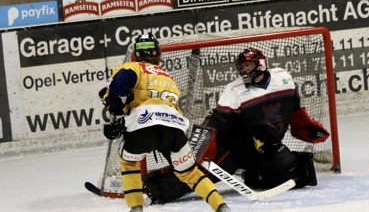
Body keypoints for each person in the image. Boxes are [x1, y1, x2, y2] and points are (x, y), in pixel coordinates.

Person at [143, 47, 330, 203]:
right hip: (235, 147)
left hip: (267, 148)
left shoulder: (283, 78)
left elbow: (294, 108)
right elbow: (215, 123)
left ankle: (253, 174)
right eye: (242, 67)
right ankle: (152, 187)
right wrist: (197, 153)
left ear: (261, 64)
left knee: (299, 173)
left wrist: (306, 127)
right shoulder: (234, 89)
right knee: (198, 175)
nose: (244, 71)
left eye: (248, 65)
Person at [99, 33, 230, 212]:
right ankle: (221, 206)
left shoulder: (133, 67)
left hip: (142, 130)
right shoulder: (167, 77)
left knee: (129, 163)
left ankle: (136, 208)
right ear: (158, 55)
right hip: (174, 131)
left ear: (135, 55)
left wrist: (112, 104)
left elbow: (118, 88)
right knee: (189, 173)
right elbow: (159, 108)